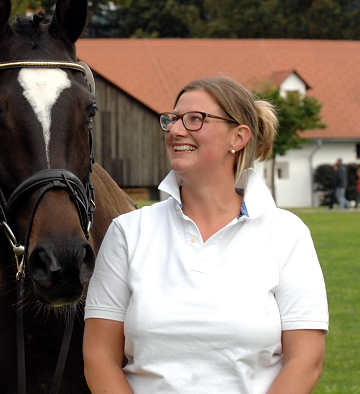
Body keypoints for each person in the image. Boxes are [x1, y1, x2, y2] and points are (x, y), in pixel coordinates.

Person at [83, 77, 328, 394]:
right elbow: (99, 356)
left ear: (238, 137)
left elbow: (305, 359)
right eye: (171, 119)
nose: (175, 130)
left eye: (195, 119)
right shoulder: (128, 232)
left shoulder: (286, 233)